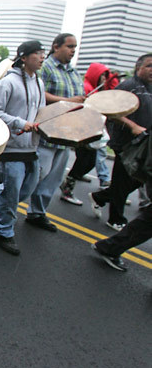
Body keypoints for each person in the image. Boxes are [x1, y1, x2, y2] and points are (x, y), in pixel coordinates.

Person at [0, 41, 46, 255]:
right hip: (11, 146)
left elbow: (41, 112)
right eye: (37, 54)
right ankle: (4, 231)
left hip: (31, 147)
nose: (42, 57)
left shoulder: (39, 83)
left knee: (25, 191)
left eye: (43, 54)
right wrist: (19, 123)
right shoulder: (8, 83)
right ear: (24, 57)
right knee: (13, 192)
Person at [25, 33, 85, 232]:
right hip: (47, 133)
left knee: (54, 178)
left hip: (65, 134)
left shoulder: (74, 73)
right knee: (36, 175)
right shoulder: (46, 68)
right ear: (56, 46)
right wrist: (66, 101)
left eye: (75, 47)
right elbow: (38, 93)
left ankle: (37, 212)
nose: (72, 50)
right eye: (69, 46)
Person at [89, 53, 152, 232]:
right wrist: (132, 125)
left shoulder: (149, 88)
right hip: (126, 142)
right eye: (149, 66)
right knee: (122, 179)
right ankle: (116, 218)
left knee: (139, 178)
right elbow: (111, 111)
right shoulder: (128, 86)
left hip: (143, 143)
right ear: (138, 67)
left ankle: (100, 197)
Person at [59, 62, 119, 204]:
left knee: (88, 161)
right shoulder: (87, 88)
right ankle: (68, 186)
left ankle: (71, 180)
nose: (104, 78)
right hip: (83, 131)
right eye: (102, 75)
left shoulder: (97, 90)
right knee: (83, 161)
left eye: (106, 76)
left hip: (91, 131)